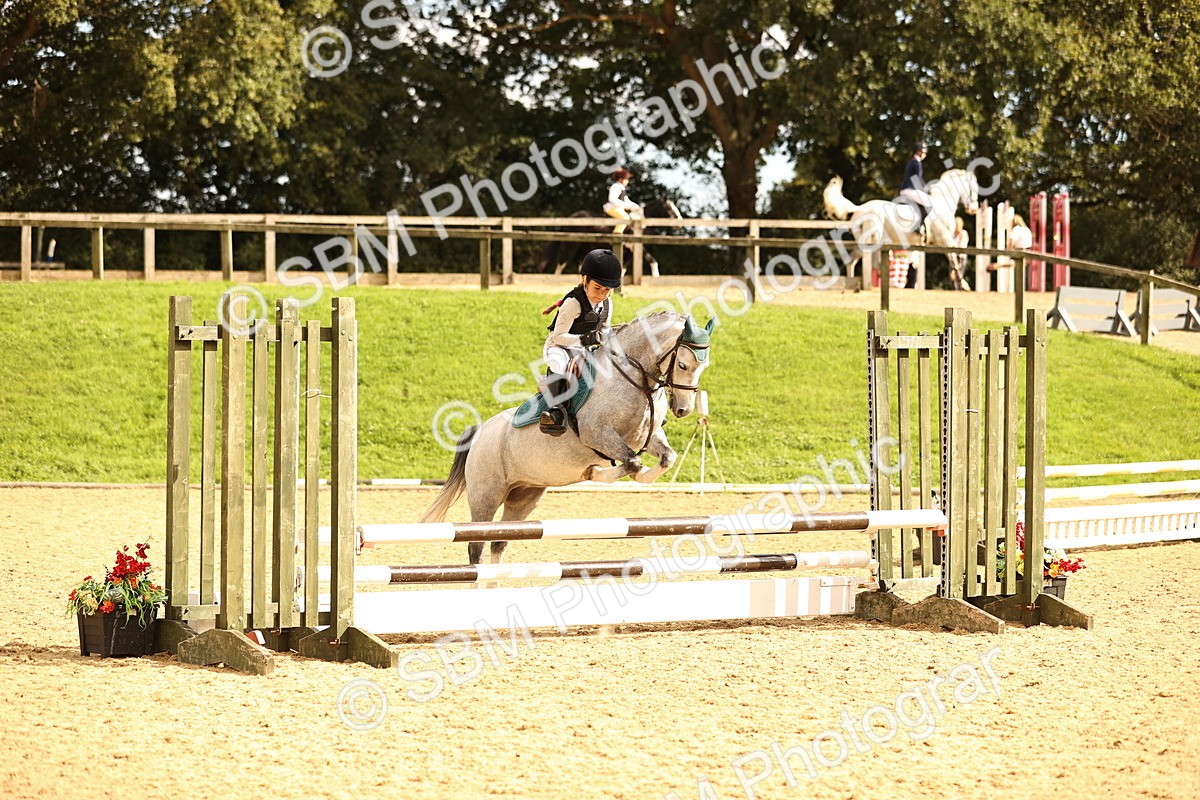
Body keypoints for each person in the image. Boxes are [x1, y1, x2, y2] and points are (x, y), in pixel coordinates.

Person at [538, 248, 622, 436]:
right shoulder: (573, 303)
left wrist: (612, 337)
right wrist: (585, 339)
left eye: (607, 290)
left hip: (583, 347)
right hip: (558, 347)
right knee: (560, 363)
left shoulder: (607, 303)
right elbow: (558, 336)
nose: (601, 295)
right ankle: (555, 410)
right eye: (597, 288)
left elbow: (604, 330)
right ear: (585, 280)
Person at [898, 141, 931, 231]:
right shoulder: (916, 162)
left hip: (906, 189)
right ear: (919, 152)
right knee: (929, 203)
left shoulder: (912, 161)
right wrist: (927, 188)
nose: (925, 155)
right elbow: (918, 179)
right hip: (910, 190)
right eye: (924, 153)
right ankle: (918, 225)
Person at [603, 168, 641, 234]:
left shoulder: (622, 188)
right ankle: (617, 235)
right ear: (620, 179)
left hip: (618, 208)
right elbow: (612, 199)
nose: (627, 181)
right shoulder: (615, 187)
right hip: (612, 208)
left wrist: (636, 207)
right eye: (626, 179)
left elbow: (626, 200)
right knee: (624, 218)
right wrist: (625, 206)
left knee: (635, 217)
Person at [948, 216, 971, 290]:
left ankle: (961, 289)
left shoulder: (964, 233)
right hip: (953, 257)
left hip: (960, 258)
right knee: (952, 276)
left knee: (958, 275)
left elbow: (962, 246)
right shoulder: (952, 234)